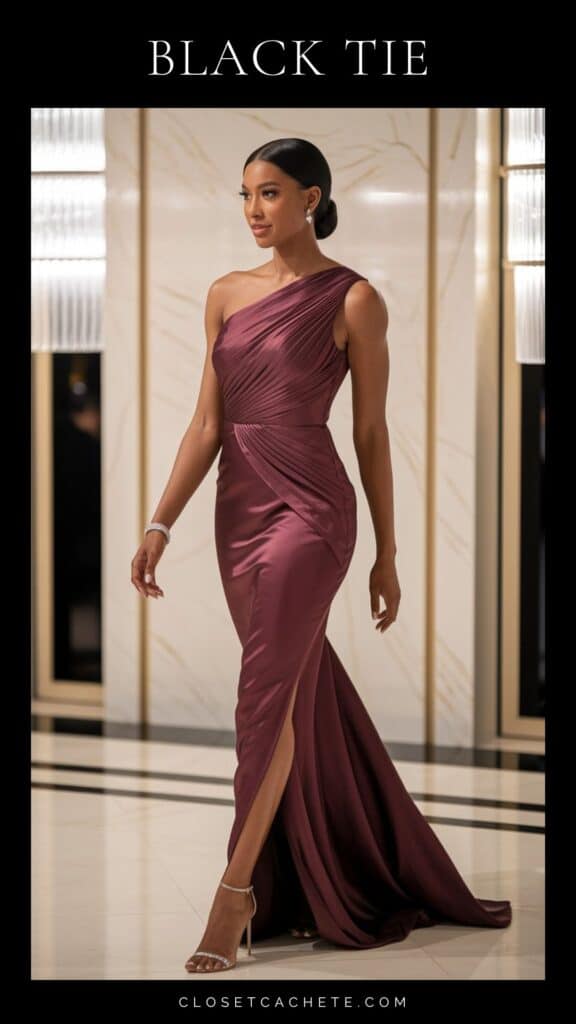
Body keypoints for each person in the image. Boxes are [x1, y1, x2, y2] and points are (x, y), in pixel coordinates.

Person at [130, 138, 512, 974]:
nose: (254, 211)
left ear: (312, 198)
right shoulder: (225, 294)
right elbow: (207, 424)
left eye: (269, 193)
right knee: (295, 693)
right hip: (239, 509)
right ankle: (334, 860)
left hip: (312, 510)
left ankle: (233, 898)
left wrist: (388, 551)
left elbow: (371, 432)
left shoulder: (356, 299)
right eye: (244, 195)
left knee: (262, 702)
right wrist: (160, 522)